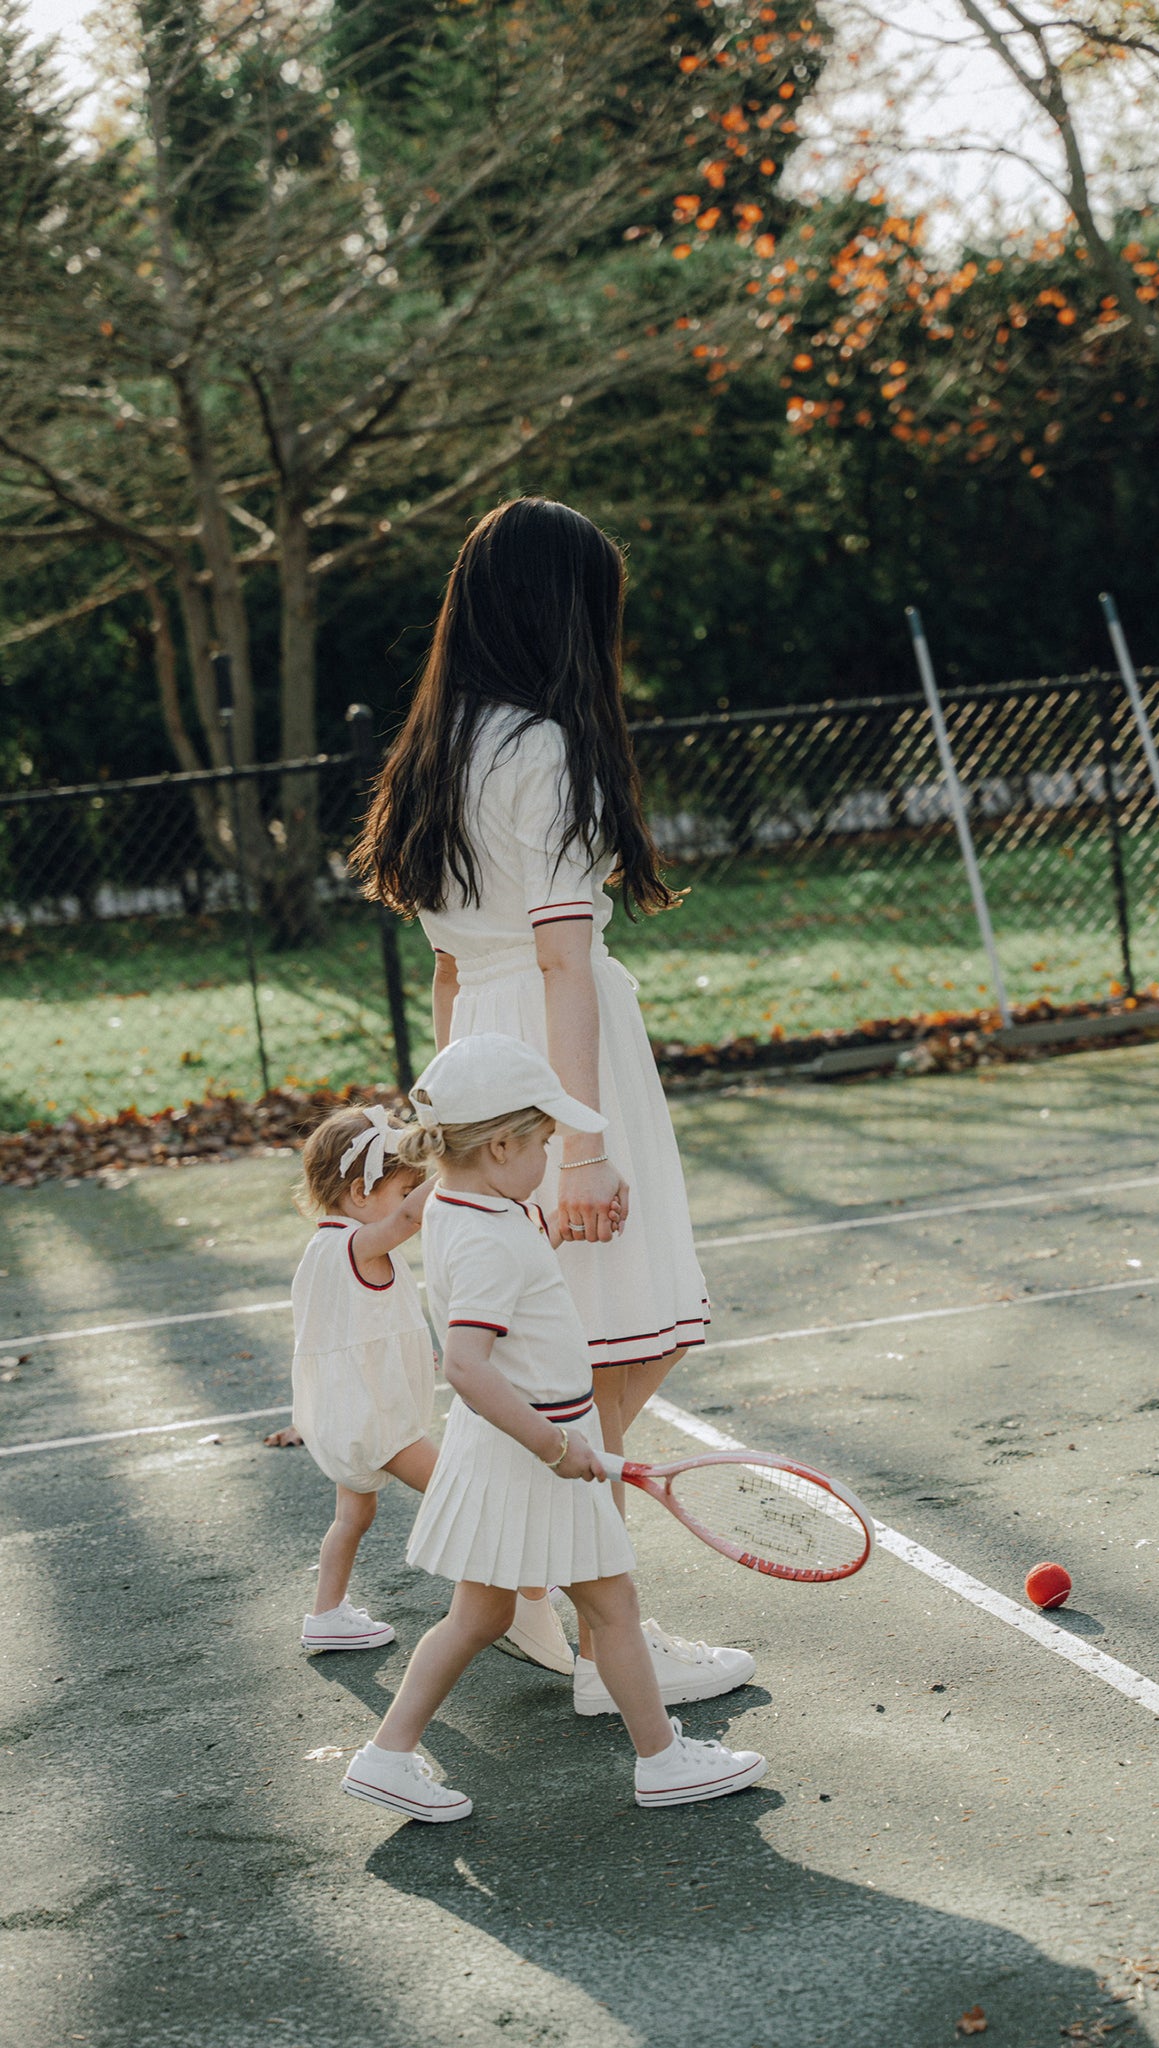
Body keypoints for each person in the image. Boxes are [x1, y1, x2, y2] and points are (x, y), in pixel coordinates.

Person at [353, 494, 754, 1708]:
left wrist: (449, 1131)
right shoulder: (542, 747)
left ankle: (547, 1603)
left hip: (485, 1054)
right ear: (564, 613)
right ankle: (593, 1626)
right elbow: (565, 958)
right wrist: (575, 1147)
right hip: (553, 1060)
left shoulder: (437, 746)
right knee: (625, 1336)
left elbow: (444, 968)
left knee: (584, 1342)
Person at [340, 1035, 767, 1819]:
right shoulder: (488, 1235)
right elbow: (465, 1365)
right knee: (612, 1608)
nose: (549, 1154)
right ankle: (662, 1761)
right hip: (534, 1452)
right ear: (501, 1144)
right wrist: (556, 1445)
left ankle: (386, 1755)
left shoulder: (461, 1204)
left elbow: (513, 1261)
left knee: (480, 1615)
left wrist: (562, 1231)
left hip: (506, 1455)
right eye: (543, 1141)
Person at [285, 1105, 440, 1652]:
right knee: (461, 1489)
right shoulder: (355, 1245)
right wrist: (455, 1168)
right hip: (377, 1419)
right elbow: (406, 1222)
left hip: (346, 1412)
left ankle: (326, 1614)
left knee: (353, 1517)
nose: (412, 1202)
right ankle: (530, 1588)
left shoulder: (326, 1247)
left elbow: (363, 1329)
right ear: (358, 1194)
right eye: (405, 1189)